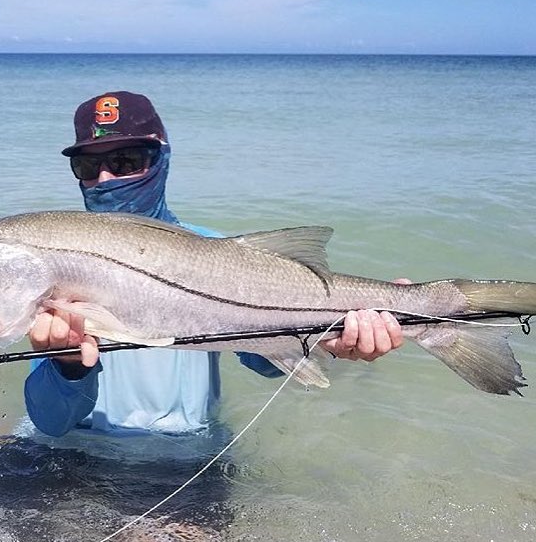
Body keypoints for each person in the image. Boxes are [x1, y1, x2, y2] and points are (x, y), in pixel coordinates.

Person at [24, 91, 405, 440]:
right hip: (76, 452)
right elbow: (51, 423)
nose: (105, 179)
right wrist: (68, 367)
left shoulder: (215, 248)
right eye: (88, 166)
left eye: (126, 161)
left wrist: (332, 342)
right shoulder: (58, 255)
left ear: (161, 161)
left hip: (184, 455)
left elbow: (265, 362)